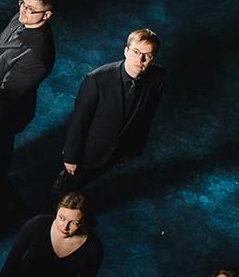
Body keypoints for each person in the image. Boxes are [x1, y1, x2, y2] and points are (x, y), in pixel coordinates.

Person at [55, 28, 167, 196]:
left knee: (93, 190)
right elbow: (79, 120)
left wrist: (132, 150)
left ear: (153, 58)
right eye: (136, 52)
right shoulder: (97, 79)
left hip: (119, 151)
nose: (140, 59)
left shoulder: (159, 78)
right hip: (89, 151)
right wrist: (71, 156)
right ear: (126, 51)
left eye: (147, 55)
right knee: (67, 187)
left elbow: (147, 117)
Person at [0, 0, 57, 190]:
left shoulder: (37, 54)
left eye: (31, 9)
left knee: (0, 143)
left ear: (46, 15)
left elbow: (9, 91)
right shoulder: (22, 18)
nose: (23, 11)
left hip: (9, 109)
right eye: (23, 4)